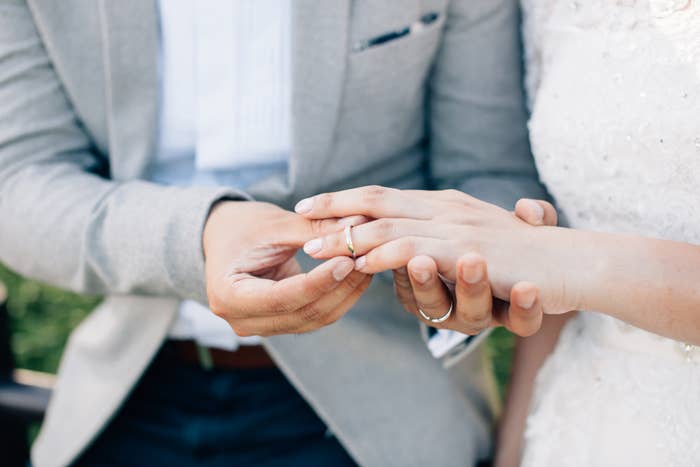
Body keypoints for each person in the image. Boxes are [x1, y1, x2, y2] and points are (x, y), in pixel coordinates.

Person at [0, 1, 551, 466]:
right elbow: (19, 181)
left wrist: (452, 271)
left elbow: (490, 170)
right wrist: (200, 235)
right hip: (127, 391)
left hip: (382, 413)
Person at [295, 1, 700, 465]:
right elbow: (559, 294)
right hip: (584, 422)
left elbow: (555, 262)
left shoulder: (557, 258)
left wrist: (557, 257)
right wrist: (513, 451)